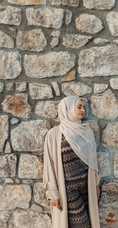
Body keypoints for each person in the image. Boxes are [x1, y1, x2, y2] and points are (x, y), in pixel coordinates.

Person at [43, 96, 100, 228]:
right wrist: (52, 193)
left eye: (83, 107)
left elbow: (93, 160)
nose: (83, 110)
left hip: (86, 186)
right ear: (67, 109)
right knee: (81, 223)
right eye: (79, 107)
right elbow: (49, 165)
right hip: (68, 189)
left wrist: (96, 183)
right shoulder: (54, 134)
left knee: (88, 222)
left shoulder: (87, 131)